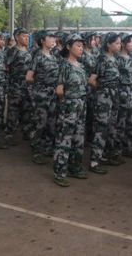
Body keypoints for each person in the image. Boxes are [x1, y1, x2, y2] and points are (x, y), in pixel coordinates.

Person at [53, 34, 89, 187]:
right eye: (78, 46)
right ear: (68, 47)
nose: (81, 49)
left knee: (79, 138)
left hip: (81, 105)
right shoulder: (64, 65)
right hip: (69, 105)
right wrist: (67, 103)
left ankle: (75, 167)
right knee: (65, 138)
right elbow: (59, 90)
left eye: (82, 46)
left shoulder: (81, 66)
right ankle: (60, 172)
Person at [89, 32, 121, 174]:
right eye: (117, 43)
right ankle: (94, 161)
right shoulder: (101, 59)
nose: (119, 46)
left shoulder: (115, 59)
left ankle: (103, 155)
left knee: (110, 127)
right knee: (101, 128)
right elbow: (92, 80)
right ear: (108, 44)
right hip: (104, 97)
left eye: (120, 43)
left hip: (114, 96)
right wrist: (102, 91)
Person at [26, 30, 59, 164]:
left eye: (53, 37)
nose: (53, 39)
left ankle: (47, 148)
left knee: (51, 123)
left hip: (53, 95)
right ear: (42, 41)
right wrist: (39, 87)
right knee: (40, 123)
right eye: (50, 38)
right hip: (41, 95)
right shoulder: (38, 56)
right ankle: (36, 151)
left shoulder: (53, 56)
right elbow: (28, 77)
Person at [4, 28, 34, 144]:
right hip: (15, 87)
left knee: (27, 110)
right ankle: (9, 135)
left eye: (28, 36)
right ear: (17, 37)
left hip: (27, 87)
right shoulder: (12, 51)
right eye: (24, 36)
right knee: (13, 112)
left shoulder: (29, 51)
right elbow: (6, 67)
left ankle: (26, 132)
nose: (27, 38)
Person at [116, 33, 132, 158]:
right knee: (121, 123)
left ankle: (128, 148)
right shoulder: (118, 59)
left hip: (130, 92)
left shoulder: (130, 58)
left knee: (130, 122)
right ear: (123, 44)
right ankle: (117, 151)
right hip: (122, 92)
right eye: (129, 42)